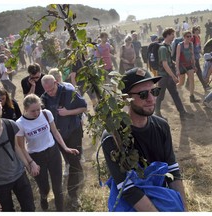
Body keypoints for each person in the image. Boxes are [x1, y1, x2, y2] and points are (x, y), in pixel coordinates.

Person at [101, 68, 187, 211]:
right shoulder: (113, 137)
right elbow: (128, 189)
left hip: (162, 196)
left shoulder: (162, 126)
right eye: (142, 94)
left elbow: (173, 172)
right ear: (125, 98)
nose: (151, 99)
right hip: (132, 205)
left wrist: (184, 211)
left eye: (154, 91)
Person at [16, 94, 79, 211]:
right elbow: (21, 147)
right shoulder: (20, 124)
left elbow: (55, 132)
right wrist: (30, 163)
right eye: (32, 111)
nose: (36, 113)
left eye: (38, 109)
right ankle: (43, 197)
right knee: (45, 188)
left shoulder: (46, 114)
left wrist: (65, 148)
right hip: (36, 157)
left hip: (53, 152)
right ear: (25, 109)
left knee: (58, 188)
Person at [41, 75, 87, 208]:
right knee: (70, 161)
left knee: (74, 162)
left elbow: (84, 107)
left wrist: (68, 112)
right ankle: (78, 173)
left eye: (51, 89)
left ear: (56, 82)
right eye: (47, 90)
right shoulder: (44, 98)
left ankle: (73, 195)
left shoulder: (69, 92)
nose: (50, 92)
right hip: (58, 136)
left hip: (73, 132)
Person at [155, 27, 194, 120]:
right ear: (167, 35)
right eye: (172, 34)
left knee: (175, 94)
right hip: (163, 77)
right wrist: (173, 76)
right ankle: (157, 114)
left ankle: (182, 113)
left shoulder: (168, 46)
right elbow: (164, 64)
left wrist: (175, 67)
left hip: (168, 76)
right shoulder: (163, 48)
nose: (174, 36)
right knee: (160, 96)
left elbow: (168, 62)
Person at [175, 30, 200, 103]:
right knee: (181, 83)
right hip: (181, 66)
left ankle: (192, 97)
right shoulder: (180, 45)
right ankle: (175, 91)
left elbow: (192, 55)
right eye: (187, 36)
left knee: (192, 80)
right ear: (184, 37)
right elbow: (177, 57)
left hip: (189, 65)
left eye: (190, 36)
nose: (189, 38)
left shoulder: (191, 44)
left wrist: (194, 66)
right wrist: (177, 69)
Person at [191, 26, 208, 92]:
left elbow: (199, 48)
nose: (197, 31)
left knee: (193, 71)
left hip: (197, 57)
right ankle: (205, 86)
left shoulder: (198, 37)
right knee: (199, 71)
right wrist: (192, 58)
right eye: (196, 30)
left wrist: (203, 54)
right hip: (194, 58)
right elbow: (190, 48)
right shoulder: (193, 38)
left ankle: (187, 84)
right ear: (193, 30)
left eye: (198, 29)